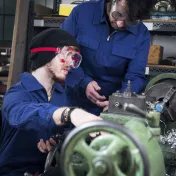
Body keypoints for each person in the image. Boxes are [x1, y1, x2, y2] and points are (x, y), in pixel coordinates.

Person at [0, 28, 102, 176]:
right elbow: (21, 113)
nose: (70, 64)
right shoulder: (16, 94)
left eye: (75, 58)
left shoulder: (62, 96)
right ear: (46, 55)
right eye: (67, 54)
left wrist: (57, 142)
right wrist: (68, 113)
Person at [61, 0, 157, 115]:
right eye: (119, 14)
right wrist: (83, 82)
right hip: (71, 99)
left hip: (108, 108)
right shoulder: (82, 12)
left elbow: (135, 76)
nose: (120, 24)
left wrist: (120, 102)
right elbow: (63, 51)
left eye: (130, 21)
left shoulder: (141, 34)